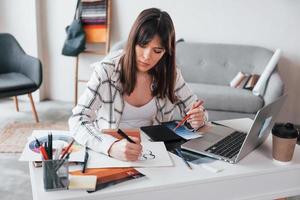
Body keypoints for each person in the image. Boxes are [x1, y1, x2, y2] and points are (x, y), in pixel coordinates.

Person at [69, 8, 207, 162]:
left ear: (165, 52)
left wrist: (199, 118)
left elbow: (197, 111)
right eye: (142, 45)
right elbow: (77, 120)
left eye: (157, 50)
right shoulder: (106, 70)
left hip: (155, 154)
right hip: (112, 153)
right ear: (132, 41)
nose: (147, 56)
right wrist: (110, 146)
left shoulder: (171, 74)